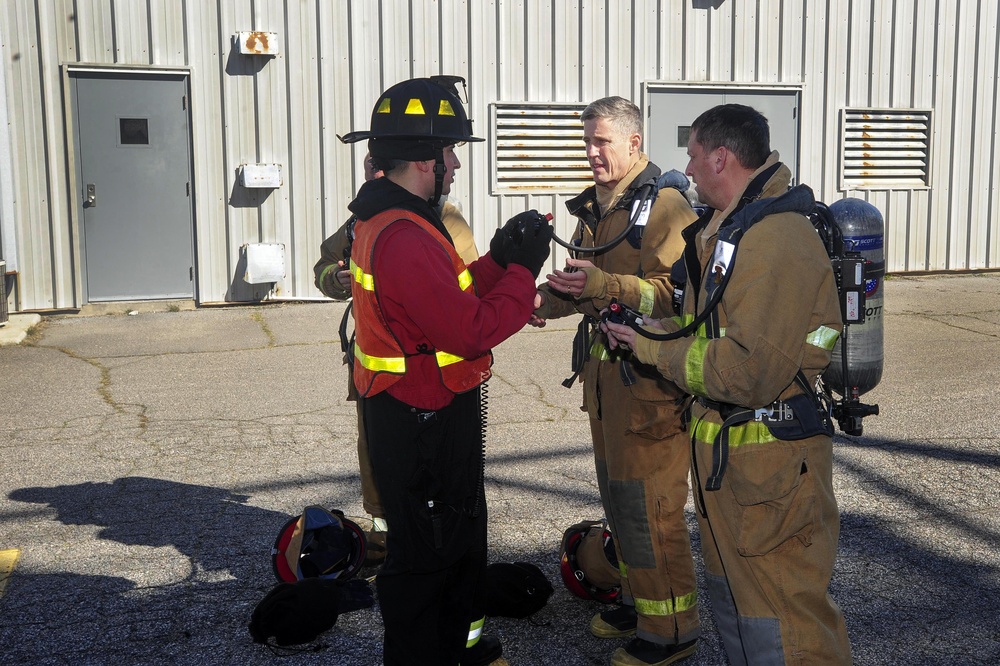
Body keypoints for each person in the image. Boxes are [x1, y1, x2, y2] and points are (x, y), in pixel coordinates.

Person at [603, 103, 853, 665]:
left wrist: (649, 347)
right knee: (743, 613)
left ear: (721, 157)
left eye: (693, 156)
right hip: (735, 469)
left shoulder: (775, 239)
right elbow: (703, 327)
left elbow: (749, 370)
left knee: (785, 619)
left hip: (772, 472)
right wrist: (645, 327)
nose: (686, 169)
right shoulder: (728, 233)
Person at [339, 76, 552, 666]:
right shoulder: (404, 234)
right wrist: (524, 272)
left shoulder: (400, 221)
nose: (457, 164)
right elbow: (469, 330)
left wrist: (499, 259)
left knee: (455, 547)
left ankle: (463, 649)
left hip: (424, 414)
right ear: (425, 161)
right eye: (451, 153)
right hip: (422, 423)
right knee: (425, 560)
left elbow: (449, 300)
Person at [531, 96, 700, 666]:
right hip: (606, 385)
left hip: (650, 384)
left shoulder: (666, 207)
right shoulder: (599, 206)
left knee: (652, 510)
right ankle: (638, 602)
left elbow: (676, 296)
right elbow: (578, 283)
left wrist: (608, 285)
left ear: (634, 143)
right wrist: (534, 304)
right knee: (622, 505)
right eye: (588, 141)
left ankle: (672, 631)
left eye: (603, 142)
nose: (592, 152)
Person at [313, 151, 480, 554]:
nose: (376, 174)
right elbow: (322, 266)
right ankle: (383, 530)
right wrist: (336, 278)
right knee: (372, 451)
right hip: (372, 364)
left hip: (429, 373)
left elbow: (468, 289)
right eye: (370, 168)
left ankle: (422, 537)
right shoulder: (361, 222)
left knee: (431, 464)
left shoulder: (443, 220)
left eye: (381, 167)